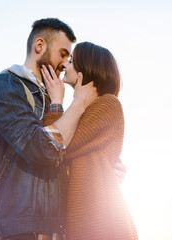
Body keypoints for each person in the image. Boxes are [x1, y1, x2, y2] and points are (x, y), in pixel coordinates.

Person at [0, 18, 98, 240]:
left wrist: (101, 169)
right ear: (40, 46)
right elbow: (41, 148)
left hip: (54, 229)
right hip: (17, 229)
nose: (65, 63)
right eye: (63, 54)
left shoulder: (53, 96)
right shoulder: (4, 86)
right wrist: (79, 103)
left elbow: (62, 159)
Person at [43, 42, 138, 240]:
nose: (65, 66)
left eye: (71, 61)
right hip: (86, 218)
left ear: (85, 68)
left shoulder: (108, 104)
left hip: (102, 222)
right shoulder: (81, 109)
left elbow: (56, 147)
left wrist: (56, 103)